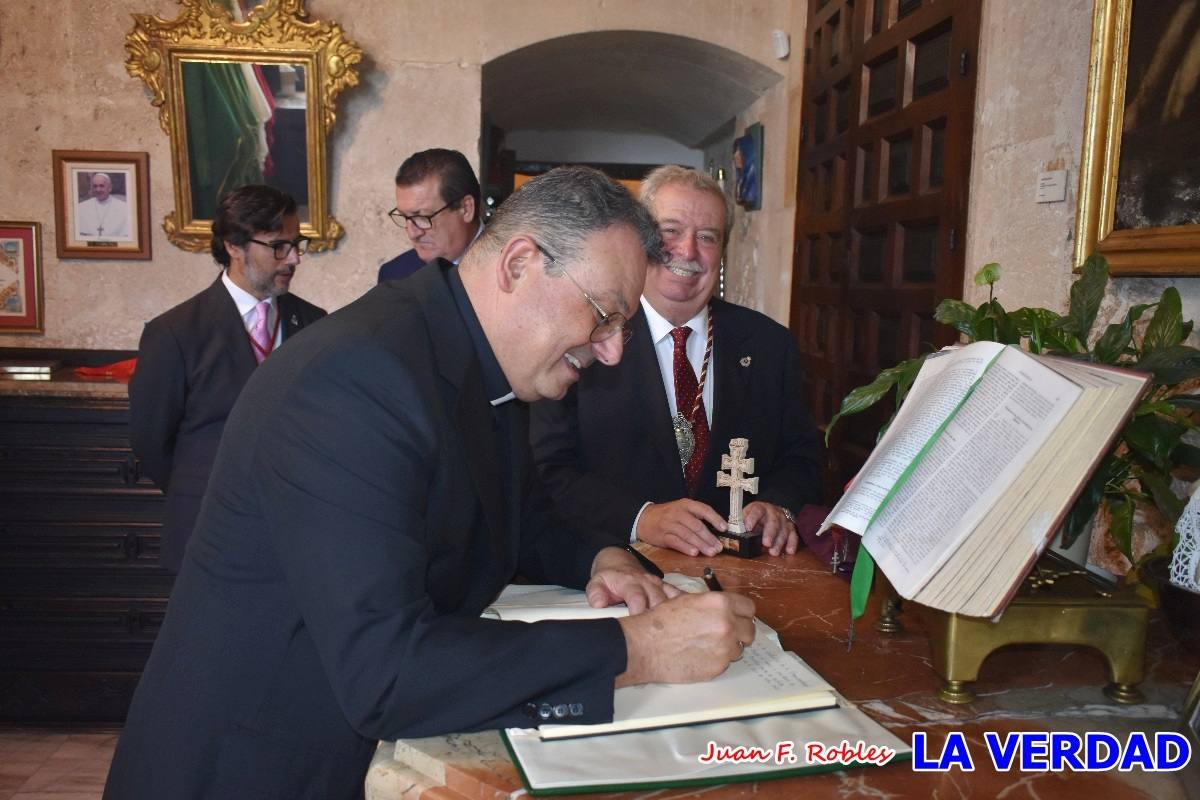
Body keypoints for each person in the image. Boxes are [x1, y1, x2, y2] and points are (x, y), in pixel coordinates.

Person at [104, 167, 755, 800]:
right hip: (256, 764)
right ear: (520, 264)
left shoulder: (473, 353)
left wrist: (601, 556)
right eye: (604, 315)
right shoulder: (357, 380)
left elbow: (519, 517)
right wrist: (636, 649)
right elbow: (385, 672)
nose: (612, 349)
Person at [530, 165, 823, 558]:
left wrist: (779, 505)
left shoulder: (771, 345)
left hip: (741, 577)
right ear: (641, 238)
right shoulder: (584, 335)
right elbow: (545, 468)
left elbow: (803, 457)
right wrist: (640, 518)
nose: (688, 251)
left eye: (707, 237)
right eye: (670, 230)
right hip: (616, 566)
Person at [127, 185, 326, 573]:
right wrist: (203, 487)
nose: (294, 258)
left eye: (297, 244)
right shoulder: (175, 332)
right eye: (279, 246)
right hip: (208, 533)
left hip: (296, 537)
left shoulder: (316, 323)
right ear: (235, 246)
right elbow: (151, 441)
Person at [377, 148, 483, 282]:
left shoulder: (513, 270)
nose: (412, 234)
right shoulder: (395, 275)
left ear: (466, 208)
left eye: (422, 217)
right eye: (405, 217)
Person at [75, 172, 130, 239]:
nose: (98, 189)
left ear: (110, 188)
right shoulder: (81, 207)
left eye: (102, 186)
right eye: (95, 186)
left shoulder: (124, 208)